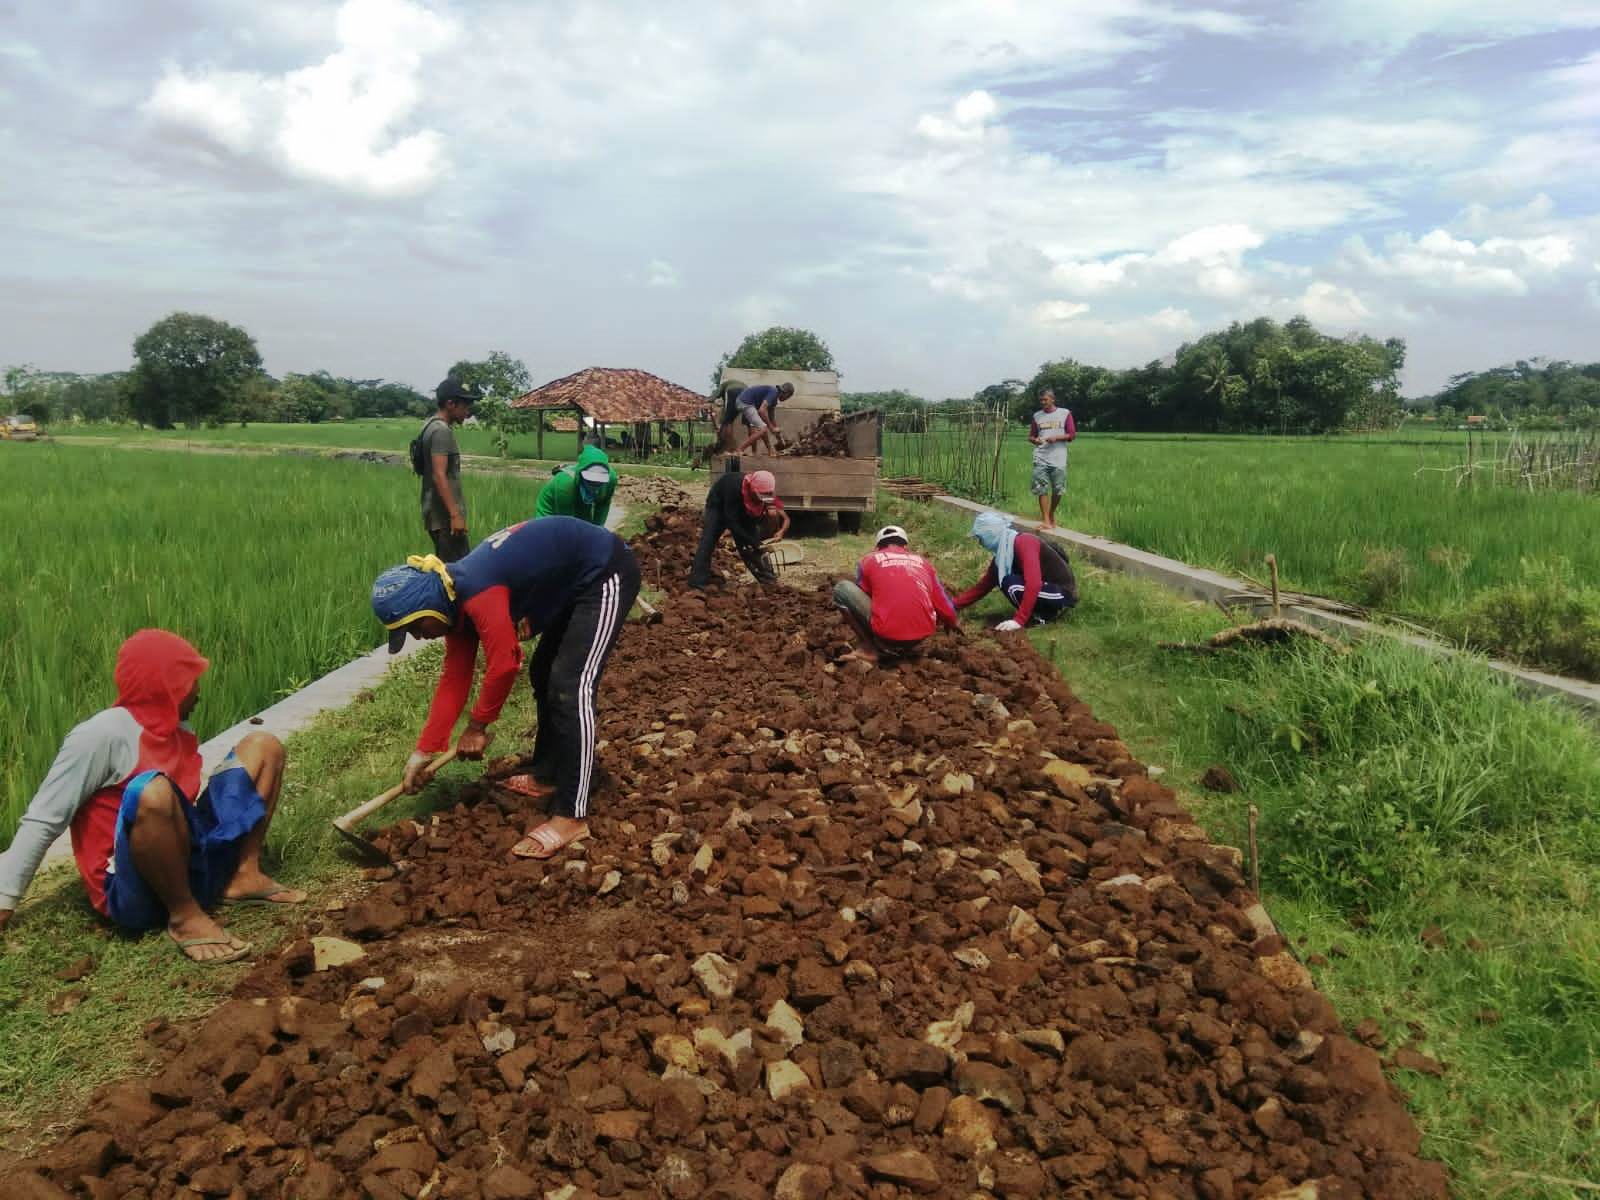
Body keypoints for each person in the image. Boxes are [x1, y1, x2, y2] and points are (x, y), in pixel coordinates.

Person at [0, 630, 301, 964]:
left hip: (187, 861)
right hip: (131, 890)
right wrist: (4, 899)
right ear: (167, 685)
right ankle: (185, 916)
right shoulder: (101, 736)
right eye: (190, 681)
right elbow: (43, 819)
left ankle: (243, 875)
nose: (198, 690)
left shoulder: (174, 726)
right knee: (151, 790)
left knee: (263, 747)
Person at [371, 516, 640, 860]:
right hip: (571, 582)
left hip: (605, 570)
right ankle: (548, 774)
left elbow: (504, 664)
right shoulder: (452, 603)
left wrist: (478, 726)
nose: (417, 637)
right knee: (544, 672)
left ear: (428, 606)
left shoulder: (476, 592)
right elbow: (454, 680)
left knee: (571, 686)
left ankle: (572, 814)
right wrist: (424, 752)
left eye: (413, 627)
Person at [833, 525, 960, 663]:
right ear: (905, 546)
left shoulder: (868, 561)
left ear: (877, 547)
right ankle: (905, 647)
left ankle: (869, 648)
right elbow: (946, 606)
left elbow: (866, 595)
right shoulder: (924, 563)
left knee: (842, 588)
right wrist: (951, 622)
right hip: (920, 637)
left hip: (887, 636)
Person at [954, 511, 1078, 631]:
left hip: (1062, 592)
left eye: (980, 537)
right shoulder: (1002, 556)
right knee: (1002, 578)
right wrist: (952, 605)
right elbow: (982, 587)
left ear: (990, 534)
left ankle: (1043, 616)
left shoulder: (1024, 543)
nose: (980, 542)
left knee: (1011, 585)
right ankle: (1034, 614)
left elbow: (1034, 583)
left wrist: (1019, 620)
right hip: (1045, 589)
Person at [688, 469, 790, 589]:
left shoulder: (766, 491)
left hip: (744, 509)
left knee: (753, 547)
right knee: (708, 541)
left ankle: (768, 580)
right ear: (752, 488)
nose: (764, 497)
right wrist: (753, 541)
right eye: (760, 495)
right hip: (718, 506)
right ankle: (697, 582)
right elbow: (732, 522)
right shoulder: (733, 487)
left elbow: (780, 516)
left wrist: (756, 542)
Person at [420, 375, 483, 562]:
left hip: (437, 514)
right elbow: (439, 475)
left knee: (449, 571)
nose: (467, 411)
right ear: (450, 404)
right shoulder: (441, 431)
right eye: (464, 406)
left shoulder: (429, 426)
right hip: (445, 518)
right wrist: (455, 515)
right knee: (458, 575)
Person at [1028, 387, 1077, 529]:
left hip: (1058, 458)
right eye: (1041, 400)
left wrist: (1057, 437)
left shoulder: (1065, 413)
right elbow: (1031, 436)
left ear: (1052, 399)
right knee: (1041, 488)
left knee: (1058, 489)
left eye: (1045, 399)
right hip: (1041, 457)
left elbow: (1072, 434)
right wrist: (1034, 440)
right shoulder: (1037, 416)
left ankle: (1051, 514)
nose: (1043, 402)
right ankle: (1046, 520)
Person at [536, 444, 617, 527]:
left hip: (580, 502)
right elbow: (566, 522)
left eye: (599, 482)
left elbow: (603, 505)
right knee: (552, 533)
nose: (595, 486)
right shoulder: (564, 483)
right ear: (580, 475)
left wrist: (598, 531)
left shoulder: (611, 479)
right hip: (552, 508)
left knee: (587, 529)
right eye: (590, 481)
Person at [731, 382, 795, 455]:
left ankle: (768, 451)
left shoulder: (774, 399)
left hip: (746, 402)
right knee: (763, 429)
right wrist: (771, 428)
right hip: (746, 403)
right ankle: (739, 449)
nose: (786, 399)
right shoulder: (774, 392)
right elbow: (761, 411)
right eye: (788, 397)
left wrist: (779, 437)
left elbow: (772, 419)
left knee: (761, 428)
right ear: (786, 393)